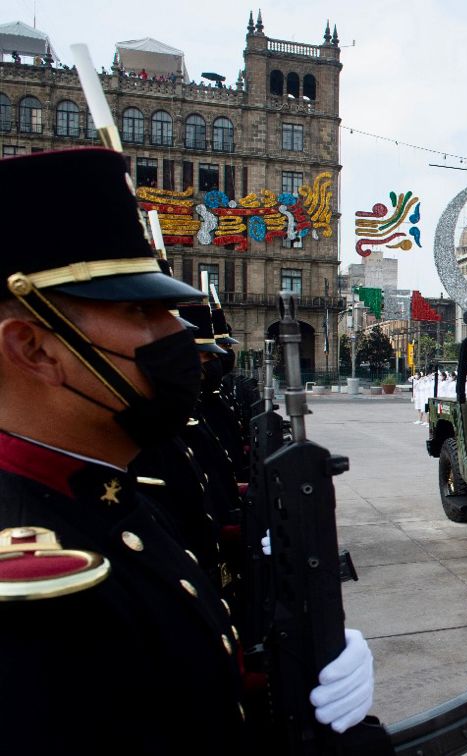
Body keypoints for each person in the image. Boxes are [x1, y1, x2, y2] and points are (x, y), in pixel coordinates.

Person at [0, 148, 373, 750]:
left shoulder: (100, 490)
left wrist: (274, 680)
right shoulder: (30, 585)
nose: (180, 331)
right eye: (140, 311)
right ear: (33, 348)